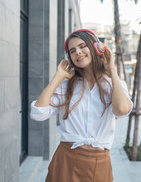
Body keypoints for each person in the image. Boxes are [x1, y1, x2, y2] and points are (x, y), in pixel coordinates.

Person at [30, 29, 133, 182]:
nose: (78, 52)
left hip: (99, 162)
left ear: (96, 47)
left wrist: (111, 70)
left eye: (82, 46)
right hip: (66, 160)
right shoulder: (66, 86)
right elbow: (38, 113)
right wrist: (58, 77)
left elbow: (122, 110)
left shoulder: (114, 84)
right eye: (72, 51)